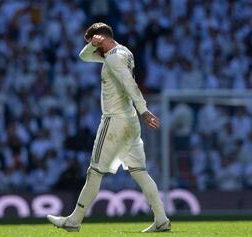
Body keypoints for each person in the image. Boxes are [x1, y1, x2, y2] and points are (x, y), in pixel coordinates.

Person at [47, 22, 170, 233]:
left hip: (114, 121)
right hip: (129, 120)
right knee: (140, 172)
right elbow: (83, 56)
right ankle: (161, 219)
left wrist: (144, 109)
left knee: (94, 172)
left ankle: (74, 220)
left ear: (101, 38)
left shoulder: (112, 57)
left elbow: (129, 83)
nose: (94, 48)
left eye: (94, 43)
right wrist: (91, 45)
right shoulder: (124, 52)